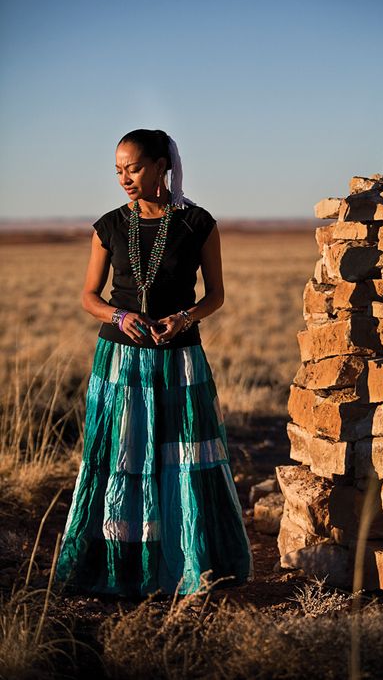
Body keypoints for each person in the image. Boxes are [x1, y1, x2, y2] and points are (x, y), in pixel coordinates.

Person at [53, 129, 254, 599]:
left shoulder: (198, 223)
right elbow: (88, 296)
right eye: (118, 170)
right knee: (123, 455)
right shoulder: (108, 225)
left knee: (182, 455)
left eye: (134, 168)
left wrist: (185, 318)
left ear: (163, 164)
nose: (125, 178)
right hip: (121, 359)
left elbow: (216, 296)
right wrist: (118, 316)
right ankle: (120, 566)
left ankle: (192, 561)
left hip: (180, 360)